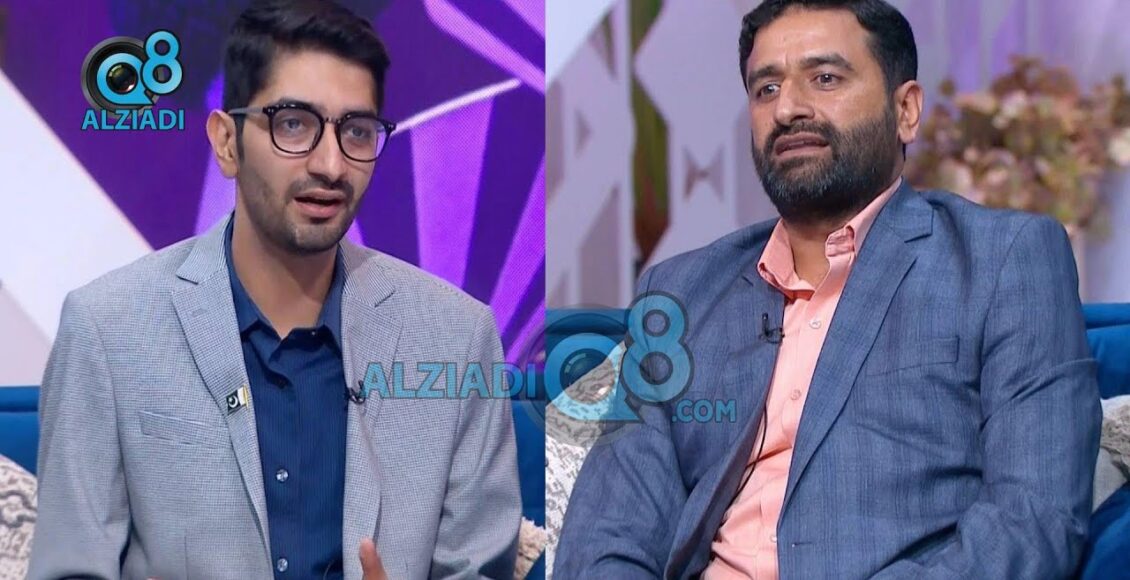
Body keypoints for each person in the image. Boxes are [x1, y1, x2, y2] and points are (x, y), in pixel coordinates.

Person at [554, 0, 1101, 578]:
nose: (787, 108)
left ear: (906, 110)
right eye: (766, 89)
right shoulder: (683, 293)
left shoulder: (1001, 260)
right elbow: (607, 537)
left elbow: (1033, 519)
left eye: (825, 79)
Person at [29, 1, 519, 578]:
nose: (331, 164)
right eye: (293, 124)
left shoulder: (456, 338)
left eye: (357, 132)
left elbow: (477, 567)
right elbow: (71, 568)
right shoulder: (108, 330)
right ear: (226, 142)